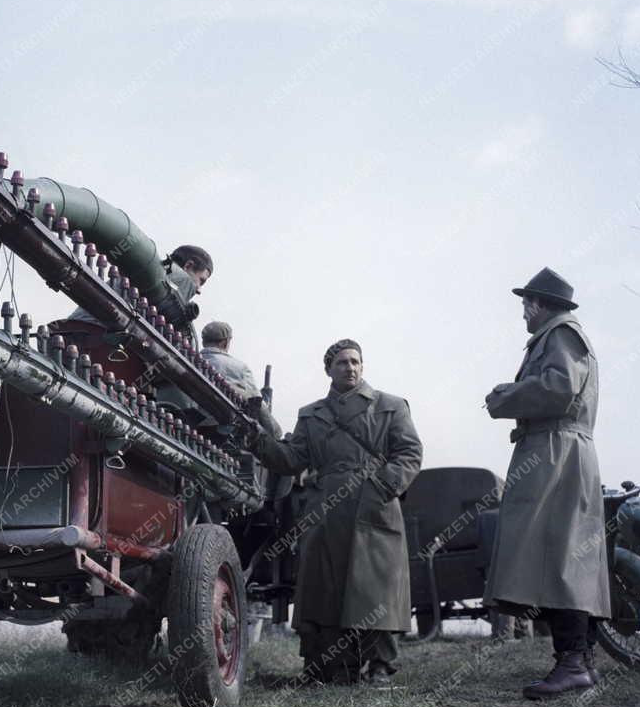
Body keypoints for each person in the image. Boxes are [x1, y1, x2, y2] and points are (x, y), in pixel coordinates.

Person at [249, 339, 423, 684]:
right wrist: (256, 439)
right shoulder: (311, 415)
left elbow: (409, 452)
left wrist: (381, 487)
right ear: (329, 369)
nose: (350, 367)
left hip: (374, 507)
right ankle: (330, 667)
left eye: (356, 361)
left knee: (376, 588)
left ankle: (379, 666)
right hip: (325, 510)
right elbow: (291, 459)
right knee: (324, 587)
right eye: (342, 362)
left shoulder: (390, 407)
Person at [484, 268, 610, 699]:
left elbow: (559, 388)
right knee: (562, 557)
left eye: (525, 305)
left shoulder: (561, 333)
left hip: (556, 454)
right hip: (558, 451)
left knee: (560, 559)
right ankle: (579, 664)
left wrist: (505, 397)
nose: (522, 314)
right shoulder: (562, 335)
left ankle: (573, 664)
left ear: (538, 304)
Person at [67, 244, 213, 330]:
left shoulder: (149, 274)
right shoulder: (173, 279)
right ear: (188, 266)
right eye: (201, 281)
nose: (199, 289)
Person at [200, 321, 281, 436]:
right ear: (225, 342)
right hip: (225, 432)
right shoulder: (240, 368)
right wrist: (275, 432)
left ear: (203, 341)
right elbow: (257, 403)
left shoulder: (188, 359)